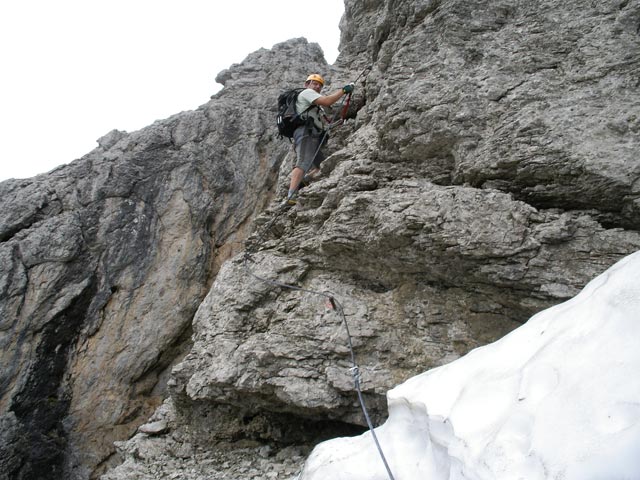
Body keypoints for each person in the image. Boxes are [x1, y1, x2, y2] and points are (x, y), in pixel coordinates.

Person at [285, 73, 354, 205]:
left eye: (320, 85)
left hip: (313, 135)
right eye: (314, 83)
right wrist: (344, 90)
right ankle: (291, 195)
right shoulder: (307, 93)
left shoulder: (312, 103)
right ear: (307, 84)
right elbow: (327, 101)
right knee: (303, 161)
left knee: (322, 167)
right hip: (305, 132)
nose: (317, 87)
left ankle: (304, 180)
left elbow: (320, 121)